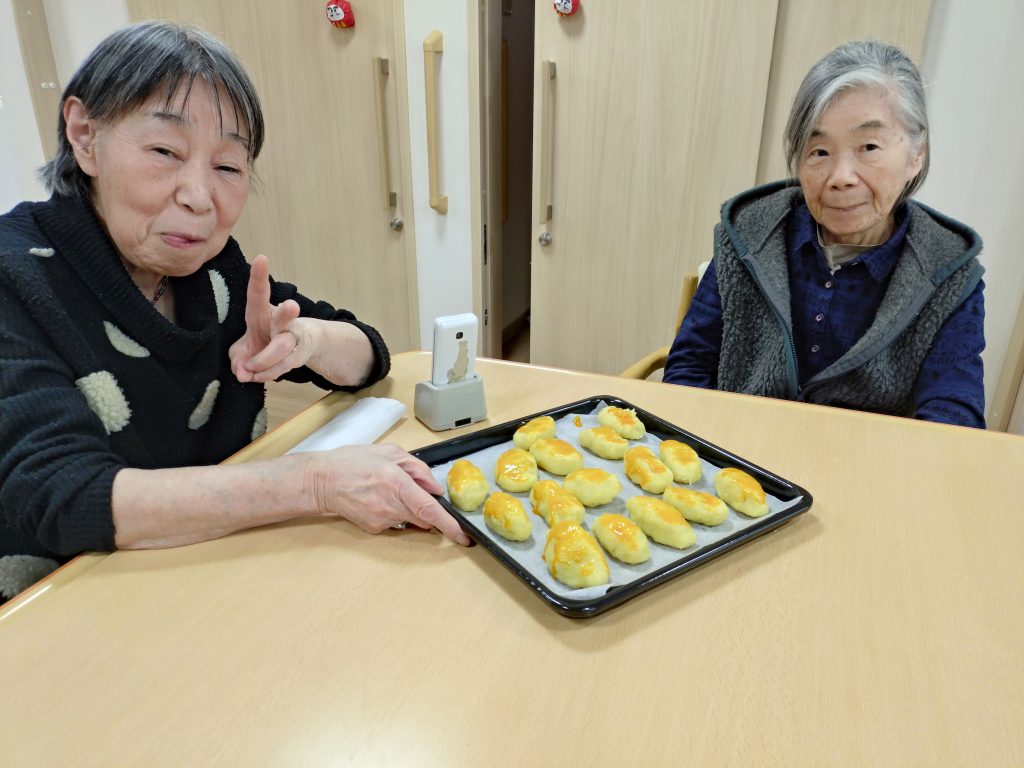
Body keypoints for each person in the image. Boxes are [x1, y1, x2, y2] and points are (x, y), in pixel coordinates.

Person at [0, 22, 469, 602]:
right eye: (165, 152)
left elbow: (368, 355)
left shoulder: (211, 270)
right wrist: (315, 483)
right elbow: (62, 495)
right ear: (85, 135)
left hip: (215, 575)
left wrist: (306, 342)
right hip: (66, 607)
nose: (199, 197)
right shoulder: (18, 276)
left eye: (227, 167)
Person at [664, 40, 985, 429]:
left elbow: (954, 416)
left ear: (917, 155)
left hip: (867, 461)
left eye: (868, 146)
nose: (841, 177)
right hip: (735, 451)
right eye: (819, 151)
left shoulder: (949, 272)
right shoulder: (751, 232)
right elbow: (690, 366)